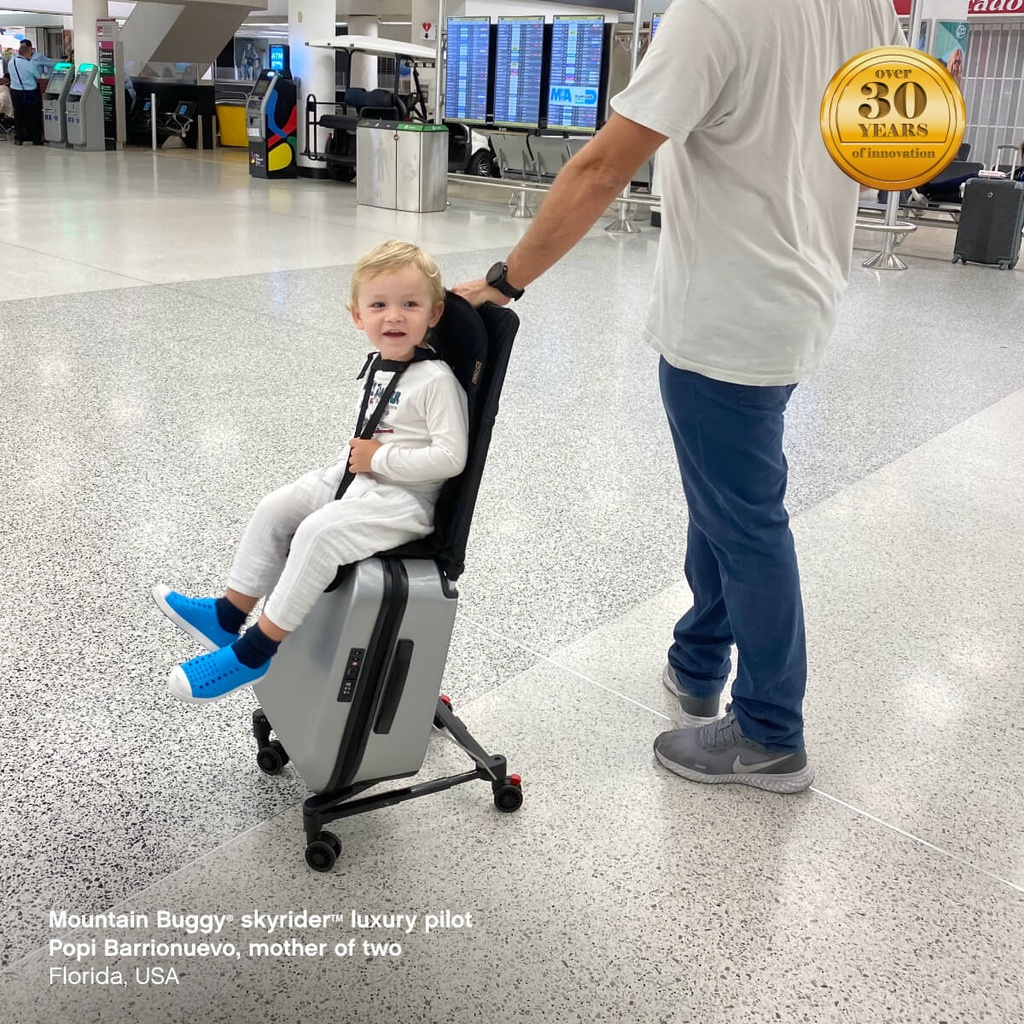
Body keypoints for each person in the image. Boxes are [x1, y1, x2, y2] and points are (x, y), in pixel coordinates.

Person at [454, 0, 905, 795]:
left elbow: (602, 166)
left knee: (746, 521)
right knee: (723, 501)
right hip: (799, 295)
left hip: (726, 315)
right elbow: (893, 139)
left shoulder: (713, 11)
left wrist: (505, 280)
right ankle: (698, 660)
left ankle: (770, 733)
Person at [154, 241, 469, 703]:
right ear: (357, 316)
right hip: (358, 478)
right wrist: (365, 464)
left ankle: (255, 651)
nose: (394, 317)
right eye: (378, 305)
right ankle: (226, 615)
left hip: (404, 501)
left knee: (319, 534)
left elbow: (450, 458)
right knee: (278, 507)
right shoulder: (380, 366)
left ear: (434, 314)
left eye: (410, 304)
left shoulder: (436, 380)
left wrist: (378, 460)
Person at [7, 39, 43, 145]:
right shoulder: (29, 64)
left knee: (18, 115)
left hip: (15, 92)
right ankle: (35, 138)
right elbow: (37, 76)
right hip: (29, 92)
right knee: (32, 115)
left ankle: (19, 138)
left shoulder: (11, 62)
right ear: (27, 53)